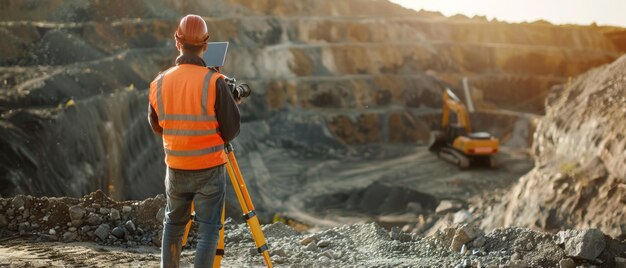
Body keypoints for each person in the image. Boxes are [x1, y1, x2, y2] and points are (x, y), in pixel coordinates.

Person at [147, 14, 241, 268]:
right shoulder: (215, 82)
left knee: (174, 225)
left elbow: (156, 125)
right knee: (209, 230)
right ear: (205, 44)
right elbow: (231, 130)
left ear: (177, 42)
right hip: (209, 168)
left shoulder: (159, 82)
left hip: (176, 168)